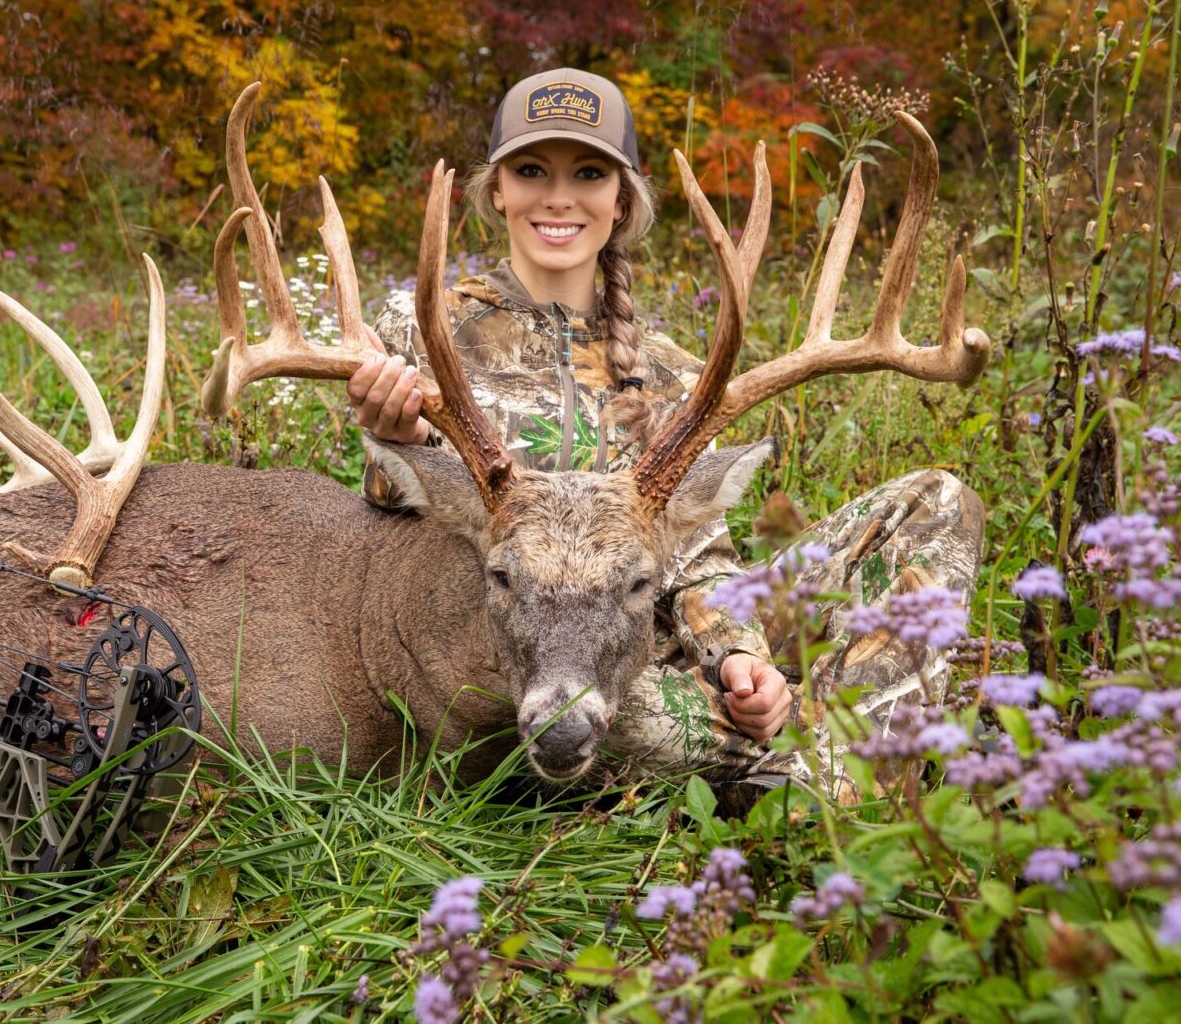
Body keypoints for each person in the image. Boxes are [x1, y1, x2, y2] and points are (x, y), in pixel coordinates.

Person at [345, 68, 985, 804]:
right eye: (531, 170)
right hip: (533, 652)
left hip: (652, 631)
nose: (559, 196)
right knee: (578, 707)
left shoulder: (675, 376)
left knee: (937, 500)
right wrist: (395, 436)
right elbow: (392, 522)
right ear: (497, 192)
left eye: (588, 173)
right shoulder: (422, 327)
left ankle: (796, 743)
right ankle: (834, 770)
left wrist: (739, 657)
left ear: (621, 201)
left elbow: (700, 558)